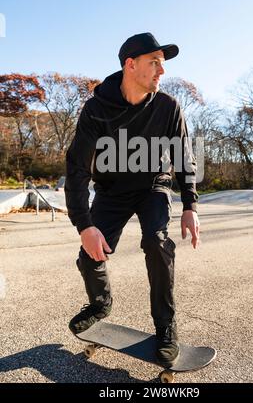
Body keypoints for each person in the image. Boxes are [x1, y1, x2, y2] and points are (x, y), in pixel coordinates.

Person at [65, 32, 200, 368]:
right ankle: (100, 304)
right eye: (154, 62)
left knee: (156, 242)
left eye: (162, 64)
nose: (161, 71)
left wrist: (190, 205)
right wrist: (84, 225)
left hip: (153, 185)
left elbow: (183, 157)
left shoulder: (168, 107)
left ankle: (166, 328)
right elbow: (77, 168)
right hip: (111, 191)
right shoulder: (97, 109)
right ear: (130, 64)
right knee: (90, 254)